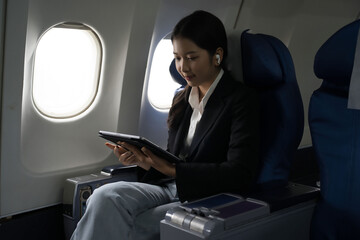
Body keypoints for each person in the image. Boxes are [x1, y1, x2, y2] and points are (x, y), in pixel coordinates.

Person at [71, 10, 259, 240]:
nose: (183, 68)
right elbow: (174, 158)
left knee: (127, 225)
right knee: (103, 197)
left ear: (217, 56)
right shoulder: (182, 98)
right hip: (169, 187)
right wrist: (145, 161)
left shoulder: (241, 101)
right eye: (178, 58)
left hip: (208, 195)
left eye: (192, 57)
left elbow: (239, 173)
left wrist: (173, 170)